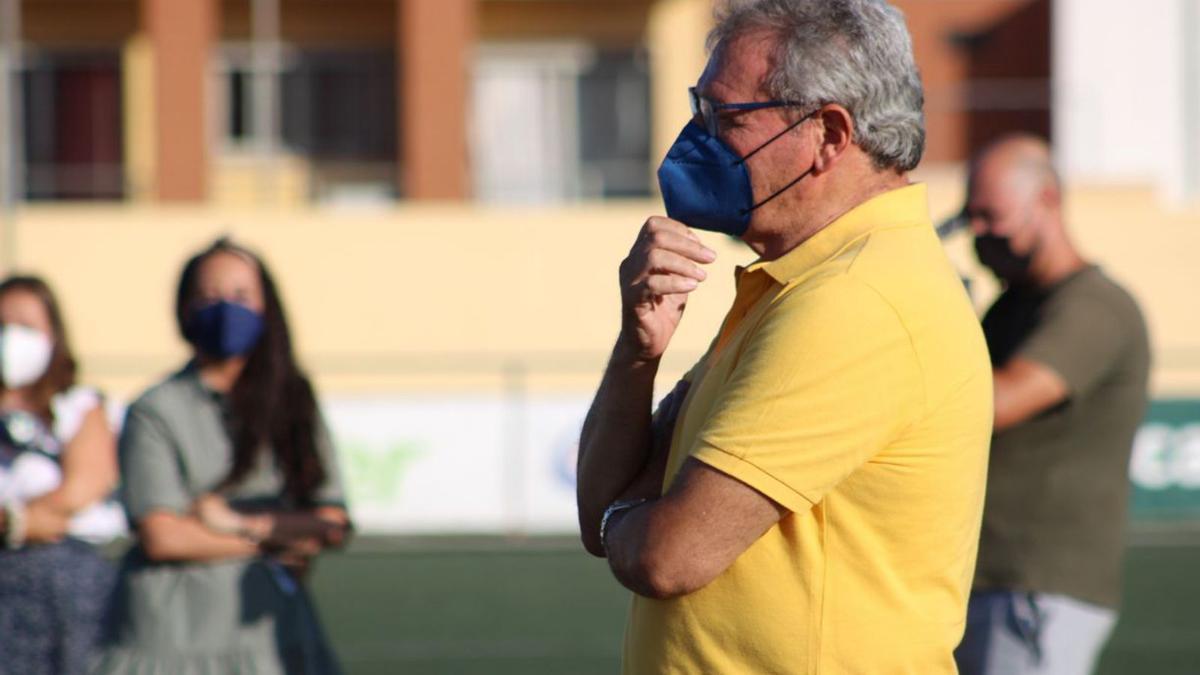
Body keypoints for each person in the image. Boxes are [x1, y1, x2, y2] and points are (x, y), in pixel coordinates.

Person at [575, 1, 993, 672]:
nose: (695, 138)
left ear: (829, 133)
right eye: (697, 109)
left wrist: (619, 520)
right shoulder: (801, 284)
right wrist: (637, 351)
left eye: (725, 118)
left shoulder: (857, 300)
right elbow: (610, 499)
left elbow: (666, 553)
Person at [93, 238, 351, 674]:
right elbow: (163, 537)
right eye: (209, 296)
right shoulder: (155, 410)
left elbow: (331, 523)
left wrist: (236, 524)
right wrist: (278, 538)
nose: (226, 308)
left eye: (240, 296)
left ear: (267, 306)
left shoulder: (293, 400)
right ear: (185, 308)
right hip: (176, 639)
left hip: (277, 639)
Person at [954, 135, 1151, 675]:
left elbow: (995, 403)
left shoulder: (1095, 306)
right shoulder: (1014, 305)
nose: (979, 233)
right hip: (990, 584)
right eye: (970, 217)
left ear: (1045, 200)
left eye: (991, 215)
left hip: (1035, 586)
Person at [0, 275, 121, 675]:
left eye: (26, 326)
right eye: (3, 325)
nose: (11, 338)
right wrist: (18, 525)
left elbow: (83, 486)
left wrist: (15, 519)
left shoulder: (79, 404)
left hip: (72, 593)